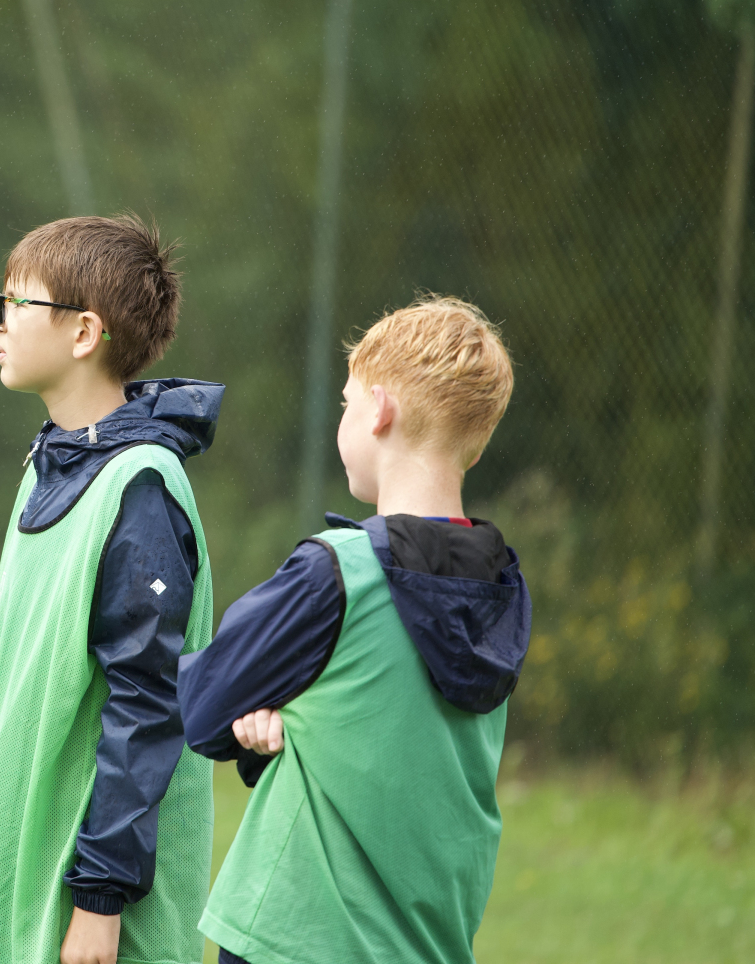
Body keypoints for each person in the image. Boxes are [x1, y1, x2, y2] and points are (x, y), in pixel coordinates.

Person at [178, 296, 531, 964]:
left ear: (379, 410)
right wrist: (283, 730)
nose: (343, 417)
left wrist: (260, 718)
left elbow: (202, 707)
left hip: (296, 938)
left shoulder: (336, 572)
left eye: (346, 403)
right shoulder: (500, 591)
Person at [0, 215, 224, 964]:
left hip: (89, 903)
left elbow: (145, 708)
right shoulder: (49, 463)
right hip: (18, 867)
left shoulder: (141, 486)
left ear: (84, 333)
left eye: (14, 303)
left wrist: (100, 900)